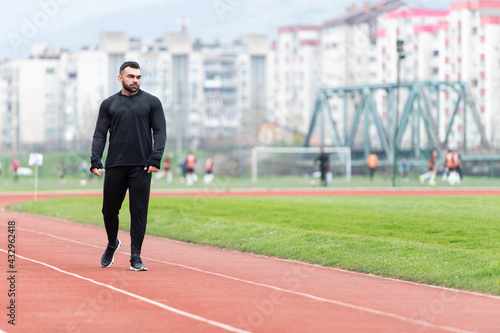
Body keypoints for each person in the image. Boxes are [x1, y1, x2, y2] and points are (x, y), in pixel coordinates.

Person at [90, 61, 166, 271]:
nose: (135, 80)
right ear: (120, 78)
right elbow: (99, 134)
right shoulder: (109, 104)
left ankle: (136, 257)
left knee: (139, 211)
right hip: (115, 164)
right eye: (131, 76)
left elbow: (159, 132)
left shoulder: (152, 102)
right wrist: (96, 159)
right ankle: (113, 242)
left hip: (142, 166)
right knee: (109, 210)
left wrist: (155, 158)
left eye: (138, 77)